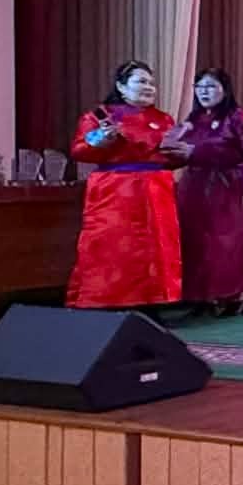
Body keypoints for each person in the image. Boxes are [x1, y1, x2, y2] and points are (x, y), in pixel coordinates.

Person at [67, 59, 187, 310]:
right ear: (121, 87)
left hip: (157, 190)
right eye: (141, 81)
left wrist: (182, 153)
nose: (149, 87)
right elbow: (79, 150)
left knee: (156, 247)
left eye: (152, 83)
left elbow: (170, 159)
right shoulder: (101, 116)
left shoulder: (163, 119)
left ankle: (152, 302)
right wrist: (101, 140)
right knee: (114, 245)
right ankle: (107, 301)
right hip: (116, 190)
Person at [176, 68, 243, 315]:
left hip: (227, 188)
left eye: (210, 86)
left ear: (224, 89)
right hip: (195, 188)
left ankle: (234, 295)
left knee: (226, 243)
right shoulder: (193, 120)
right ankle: (204, 297)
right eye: (199, 87)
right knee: (197, 242)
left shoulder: (238, 118)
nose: (204, 92)